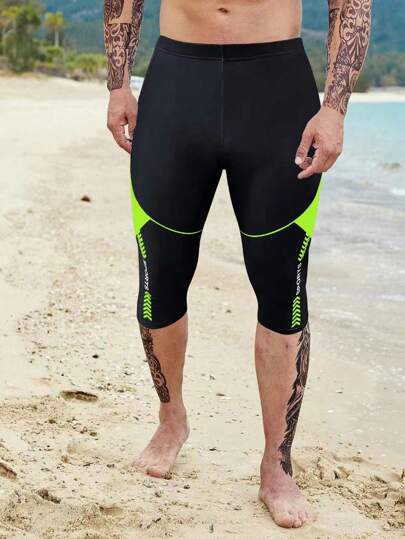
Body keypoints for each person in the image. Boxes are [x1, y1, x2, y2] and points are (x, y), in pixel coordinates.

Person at [103, 0, 372, 529]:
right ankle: (171, 418)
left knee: (281, 287)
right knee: (160, 273)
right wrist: (117, 85)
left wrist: (335, 108)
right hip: (177, 86)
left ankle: (277, 462)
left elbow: (350, 4)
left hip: (276, 93)